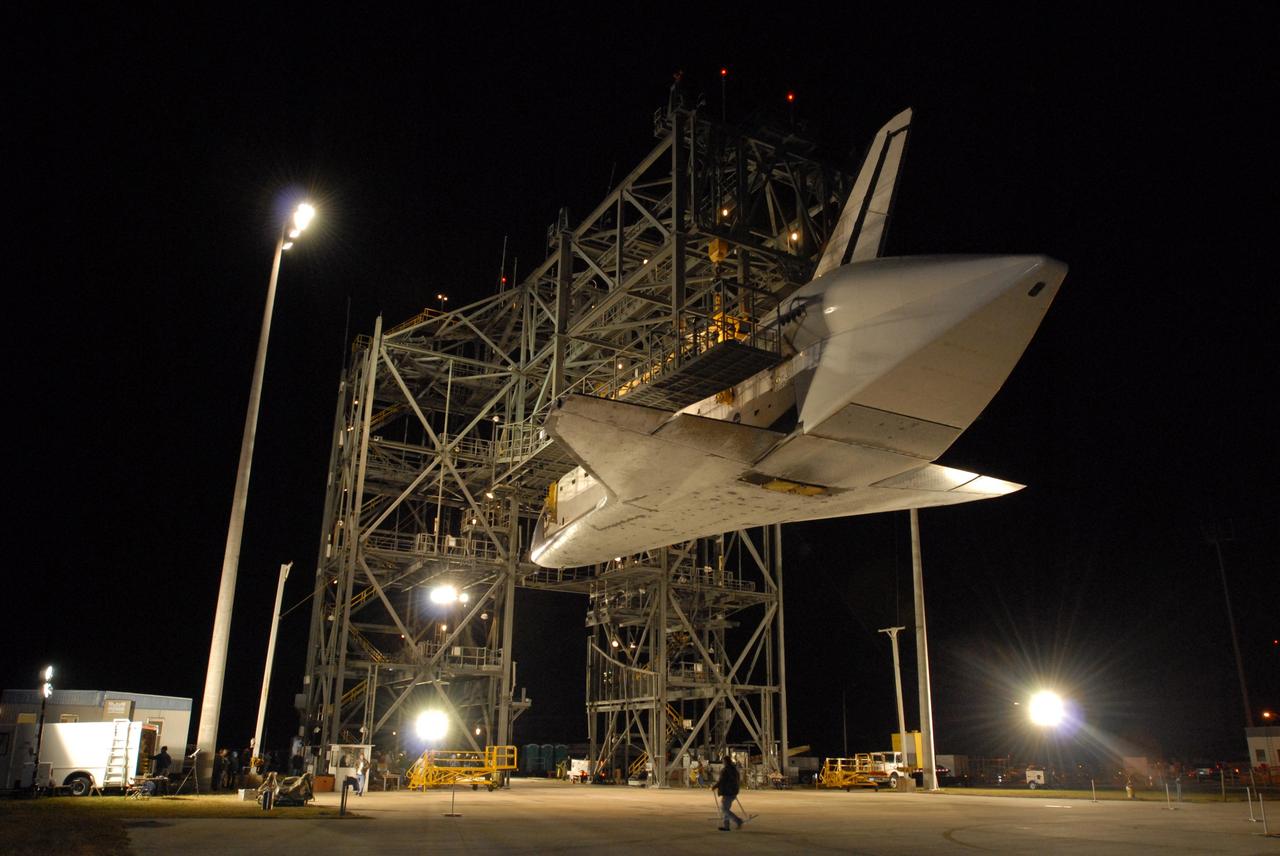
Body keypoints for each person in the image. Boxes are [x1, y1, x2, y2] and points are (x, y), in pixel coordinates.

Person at [713, 754, 744, 831]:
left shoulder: (726, 770)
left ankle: (738, 820)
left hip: (728, 792)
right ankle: (726, 826)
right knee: (725, 809)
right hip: (733, 790)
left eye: (723, 761)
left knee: (724, 809)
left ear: (725, 761)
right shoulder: (734, 769)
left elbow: (722, 780)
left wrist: (715, 786)